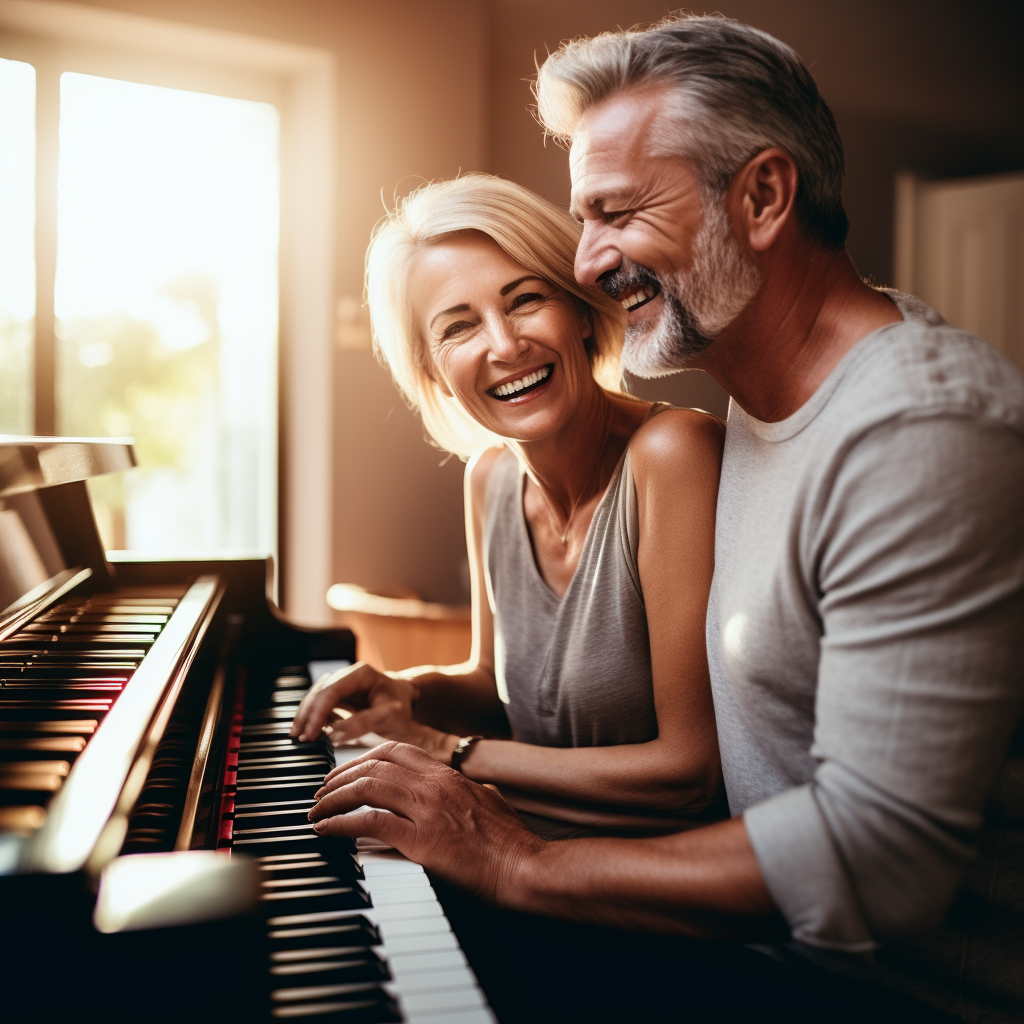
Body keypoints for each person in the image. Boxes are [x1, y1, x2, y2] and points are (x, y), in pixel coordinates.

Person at [307, 14, 1024, 1022]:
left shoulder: (917, 430)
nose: (588, 263)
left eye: (615, 214)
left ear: (764, 196)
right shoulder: (758, 395)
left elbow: (881, 864)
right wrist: (428, 712)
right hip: (749, 949)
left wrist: (512, 856)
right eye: (582, 221)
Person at [292, 174, 726, 837]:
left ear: (582, 309)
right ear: (434, 369)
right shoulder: (489, 477)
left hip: (652, 894)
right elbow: (493, 686)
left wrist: (445, 752)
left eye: (524, 301)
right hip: (516, 854)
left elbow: (690, 774)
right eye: (459, 326)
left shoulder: (674, 453)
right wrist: (411, 689)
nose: (502, 345)